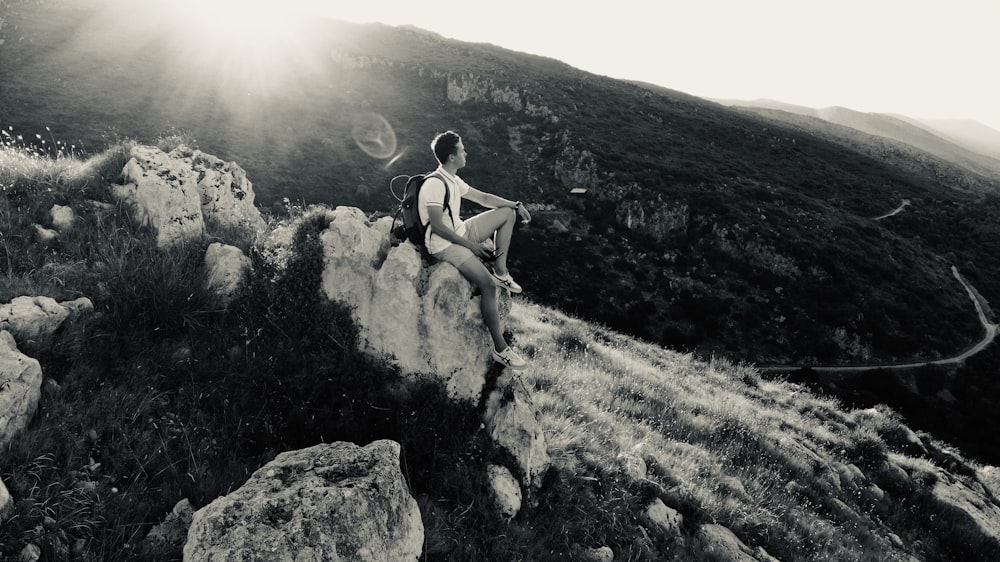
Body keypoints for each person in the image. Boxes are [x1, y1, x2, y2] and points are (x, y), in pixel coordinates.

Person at [418, 130, 532, 370]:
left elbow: (483, 198)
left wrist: (516, 204)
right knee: (488, 285)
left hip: (460, 231)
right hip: (445, 245)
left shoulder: (452, 178)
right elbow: (437, 227)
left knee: (506, 214)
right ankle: (501, 350)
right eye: (462, 149)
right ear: (451, 156)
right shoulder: (434, 184)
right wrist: (472, 246)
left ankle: (501, 271)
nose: (466, 152)